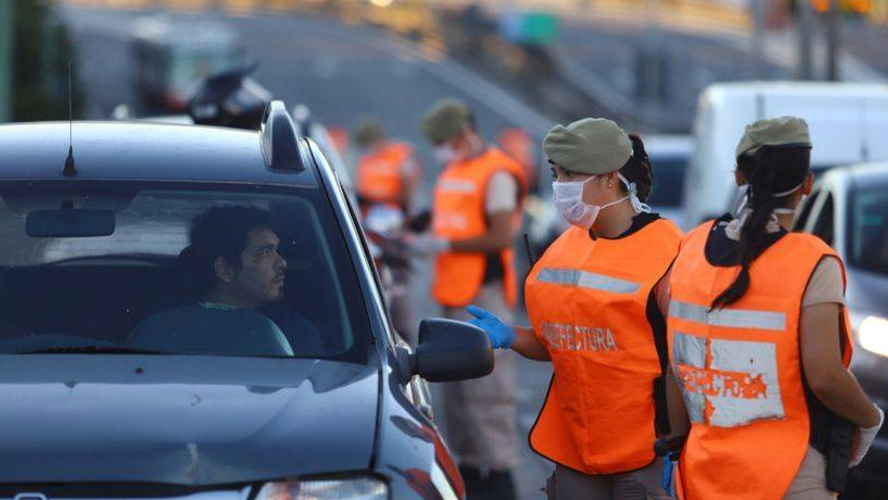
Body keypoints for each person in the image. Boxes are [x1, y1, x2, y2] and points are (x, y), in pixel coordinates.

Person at [665, 117, 884, 500]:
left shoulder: (690, 248)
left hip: (703, 472)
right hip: (790, 474)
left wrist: (678, 441)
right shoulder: (813, 262)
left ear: (738, 177)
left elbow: (677, 366)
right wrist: (869, 418)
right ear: (808, 185)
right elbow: (825, 377)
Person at [467, 117, 684, 500]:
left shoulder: (669, 250)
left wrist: (680, 442)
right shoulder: (566, 247)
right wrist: (511, 335)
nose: (559, 186)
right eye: (556, 173)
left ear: (609, 177)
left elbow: (684, 363)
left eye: (570, 174)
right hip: (576, 448)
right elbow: (563, 342)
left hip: (646, 450)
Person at [412, 98, 527, 500]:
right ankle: (471, 474)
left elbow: (500, 236)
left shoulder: (496, 173)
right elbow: (448, 215)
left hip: (483, 295)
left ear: (464, 134)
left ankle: (498, 476)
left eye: (443, 141)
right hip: (453, 292)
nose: (439, 149)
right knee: (458, 399)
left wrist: (444, 243)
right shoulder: (456, 170)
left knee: (487, 397)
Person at [128, 205, 294, 357]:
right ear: (224, 269)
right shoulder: (160, 327)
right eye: (265, 252)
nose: (282, 263)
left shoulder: (158, 327)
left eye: (276, 251)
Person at [353, 118, 421, 217]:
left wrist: (405, 207)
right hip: (368, 213)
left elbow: (410, 184)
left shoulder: (400, 154)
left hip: (394, 212)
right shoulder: (365, 159)